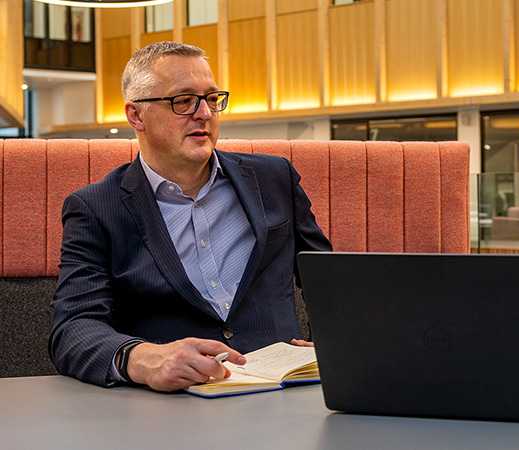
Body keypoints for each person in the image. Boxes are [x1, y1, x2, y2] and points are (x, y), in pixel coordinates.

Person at [49, 41, 331, 392]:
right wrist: (143, 359)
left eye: (212, 99)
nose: (205, 114)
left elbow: (328, 278)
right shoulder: (96, 207)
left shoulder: (275, 179)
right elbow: (73, 329)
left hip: (286, 393)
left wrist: (338, 346)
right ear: (136, 115)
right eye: (183, 101)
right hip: (172, 407)